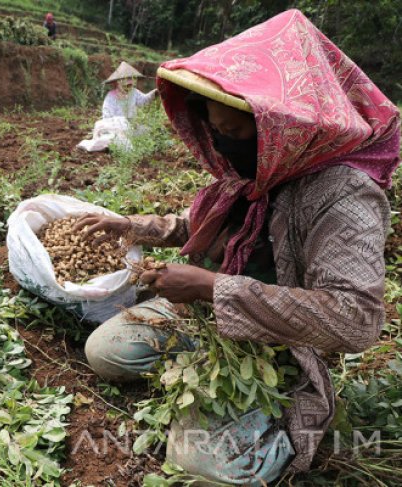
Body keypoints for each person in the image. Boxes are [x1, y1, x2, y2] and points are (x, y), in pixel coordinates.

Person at [75, 9, 400, 485]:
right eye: (217, 131)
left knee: (203, 463)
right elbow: (201, 225)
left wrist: (213, 287)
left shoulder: (343, 194)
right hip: (211, 320)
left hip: (279, 348)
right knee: (105, 351)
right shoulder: (259, 170)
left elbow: (356, 319)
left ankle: (279, 430)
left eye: (237, 134)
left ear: (283, 127)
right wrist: (131, 225)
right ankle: (200, 379)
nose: (224, 148)